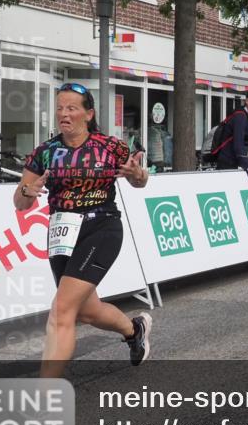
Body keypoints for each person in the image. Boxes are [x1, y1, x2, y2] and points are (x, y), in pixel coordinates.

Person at [14, 83, 151, 378]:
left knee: (61, 310)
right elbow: (21, 203)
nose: (64, 114)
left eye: (71, 108)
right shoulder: (44, 152)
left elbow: (139, 181)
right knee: (87, 311)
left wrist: (138, 174)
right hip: (62, 234)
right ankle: (134, 330)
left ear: (88, 114)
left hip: (101, 227)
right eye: (60, 108)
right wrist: (27, 190)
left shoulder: (111, 147)